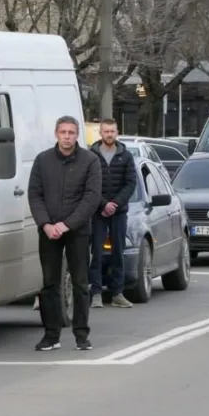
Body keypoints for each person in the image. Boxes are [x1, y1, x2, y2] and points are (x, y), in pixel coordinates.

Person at [27, 115, 102, 352]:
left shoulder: (90, 161)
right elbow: (35, 194)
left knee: (80, 283)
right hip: (48, 231)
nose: (67, 137)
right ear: (56, 134)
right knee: (50, 283)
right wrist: (46, 224)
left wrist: (67, 224)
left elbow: (91, 198)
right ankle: (51, 335)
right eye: (63, 132)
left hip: (77, 231)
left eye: (71, 132)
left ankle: (81, 335)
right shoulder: (43, 160)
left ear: (77, 134)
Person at [88, 119, 137, 309]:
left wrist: (115, 203)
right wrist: (103, 204)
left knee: (118, 252)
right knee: (97, 253)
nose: (109, 134)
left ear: (117, 132)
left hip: (118, 212)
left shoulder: (125, 156)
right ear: (100, 133)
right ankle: (96, 293)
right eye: (106, 131)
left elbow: (130, 183)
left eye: (112, 131)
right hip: (97, 212)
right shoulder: (91, 155)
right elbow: (88, 183)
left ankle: (117, 293)